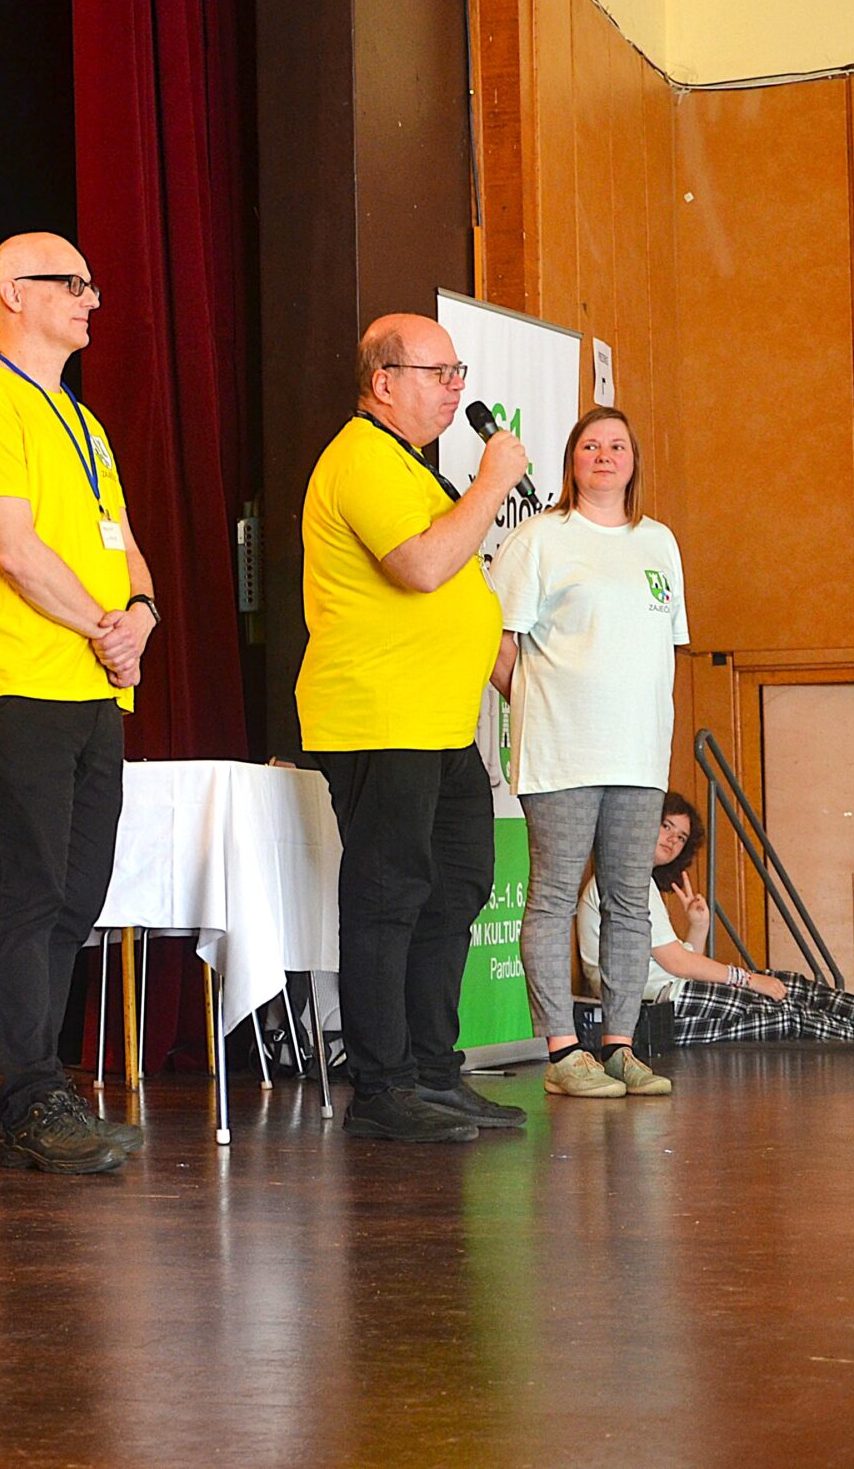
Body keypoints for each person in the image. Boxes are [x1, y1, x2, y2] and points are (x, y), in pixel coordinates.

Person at [0, 232, 158, 1175]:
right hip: (15, 677)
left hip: (90, 682)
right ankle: (27, 1097)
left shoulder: (83, 420)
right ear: (11, 294)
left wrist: (140, 614)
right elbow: (14, 551)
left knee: (78, 891)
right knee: (26, 891)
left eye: (92, 283)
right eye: (71, 282)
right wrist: (108, 627)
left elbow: (124, 542)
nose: (91, 298)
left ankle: (45, 1086)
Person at [296, 313, 526, 1144]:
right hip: (379, 717)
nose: (456, 388)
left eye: (459, 372)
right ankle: (383, 1087)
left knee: (457, 885)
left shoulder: (411, 467)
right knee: (389, 898)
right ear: (383, 382)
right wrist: (493, 482)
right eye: (439, 373)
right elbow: (423, 566)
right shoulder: (362, 456)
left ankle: (433, 1070)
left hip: (439, 725)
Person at [488, 405, 686, 1101]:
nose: (604, 455)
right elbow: (495, 640)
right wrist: (535, 705)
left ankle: (620, 1047)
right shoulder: (541, 538)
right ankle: (562, 1050)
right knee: (552, 896)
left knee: (630, 902)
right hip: (562, 754)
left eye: (617, 446)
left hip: (639, 756)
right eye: (590, 445)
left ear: (634, 461)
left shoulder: (659, 542)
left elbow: (665, 646)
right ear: (572, 460)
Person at [580, 794, 854, 1046]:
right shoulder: (624, 879)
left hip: (669, 994)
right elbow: (676, 964)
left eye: (681, 837)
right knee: (788, 1014)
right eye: (665, 826)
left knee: (792, 985)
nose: (672, 840)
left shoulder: (637, 880)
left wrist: (698, 927)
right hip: (650, 1010)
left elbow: (671, 964)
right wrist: (749, 980)